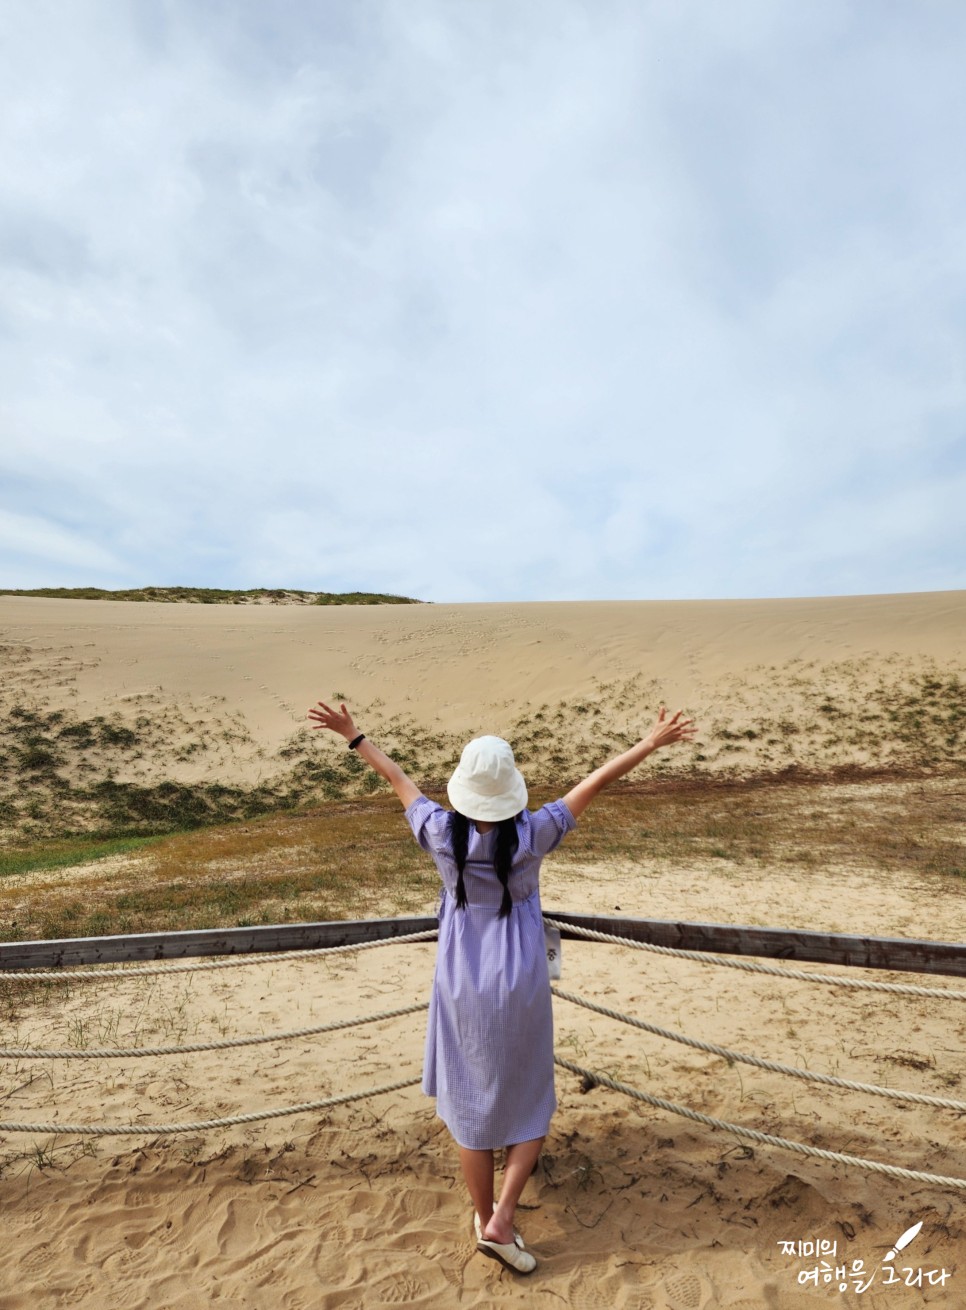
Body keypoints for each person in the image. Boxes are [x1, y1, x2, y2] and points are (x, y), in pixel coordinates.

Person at [308, 698, 696, 1274]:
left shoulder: (441, 834)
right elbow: (596, 781)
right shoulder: (534, 833)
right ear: (511, 789)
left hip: (461, 980)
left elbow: (397, 777)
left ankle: (484, 1213)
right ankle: (501, 1219)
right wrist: (649, 743)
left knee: (470, 1104)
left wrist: (353, 734)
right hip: (520, 978)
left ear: (463, 789)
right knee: (530, 1097)